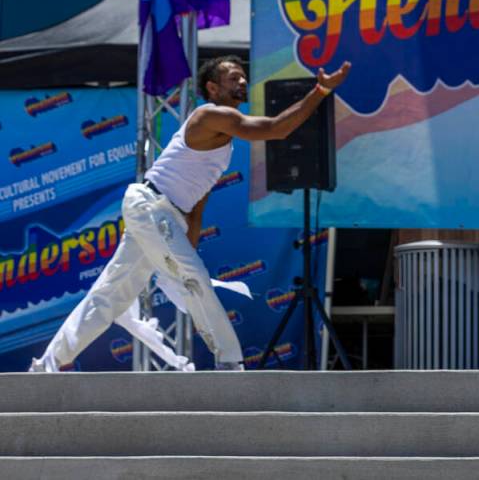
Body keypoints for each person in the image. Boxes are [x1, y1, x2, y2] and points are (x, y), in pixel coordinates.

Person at [30, 56, 351, 372]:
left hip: (163, 214)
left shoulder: (223, 143)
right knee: (194, 278)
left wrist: (187, 249)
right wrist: (319, 92)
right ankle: (229, 363)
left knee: (109, 295)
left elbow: (196, 206)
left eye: (243, 77)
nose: (242, 81)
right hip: (151, 206)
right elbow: (276, 129)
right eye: (233, 77)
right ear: (212, 88)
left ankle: (46, 365)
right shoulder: (208, 116)